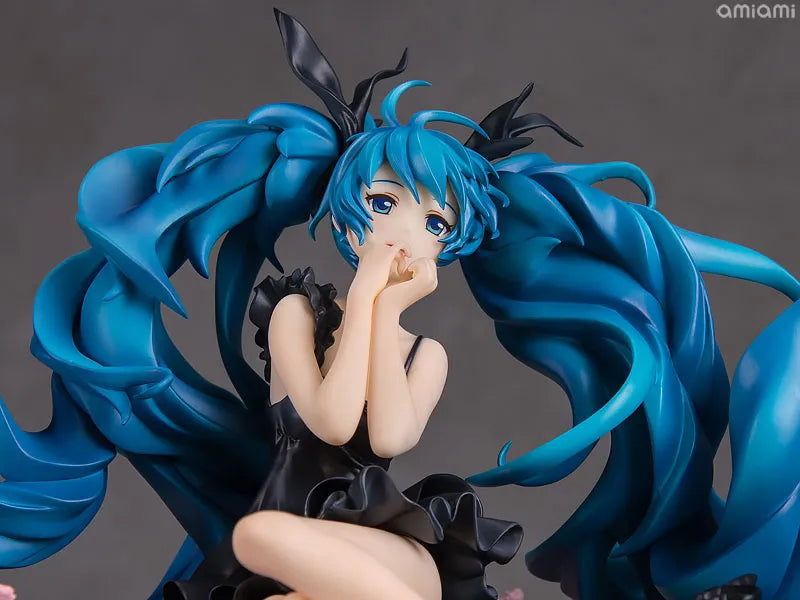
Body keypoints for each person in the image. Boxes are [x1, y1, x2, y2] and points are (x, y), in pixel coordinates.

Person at [0, 8, 795, 600]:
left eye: (435, 223)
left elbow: (385, 435)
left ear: (453, 243)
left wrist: (385, 312)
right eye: (385, 206)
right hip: (290, 547)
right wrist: (367, 298)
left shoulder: (428, 355)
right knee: (258, 537)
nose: (408, 235)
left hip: (389, 546)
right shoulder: (296, 315)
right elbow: (328, 419)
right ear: (350, 219)